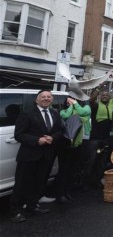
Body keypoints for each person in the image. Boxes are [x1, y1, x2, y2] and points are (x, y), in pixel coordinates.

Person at [10, 90, 63, 223]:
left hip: (46, 156)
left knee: (39, 183)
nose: (46, 99)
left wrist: (53, 137)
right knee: (21, 184)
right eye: (43, 97)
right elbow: (19, 134)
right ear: (37, 100)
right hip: (29, 155)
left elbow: (59, 131)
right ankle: (15, 211)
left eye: (49, 97)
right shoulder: (27, 114)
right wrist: (36, 140)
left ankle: (32, 207)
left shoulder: (54, 113)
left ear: (52, 99)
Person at [55, 96, 91, 204]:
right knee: (64, 170)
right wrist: (71, 106)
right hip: (65, 144)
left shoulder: (85, 108)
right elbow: (65, 116)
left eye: (74, 99)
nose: (71, 101)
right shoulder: (63, 111)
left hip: (78, 144)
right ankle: (60, 193)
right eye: (68, 100)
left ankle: (67, 192)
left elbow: (83, 113)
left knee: (73, 169)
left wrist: (75, 104)